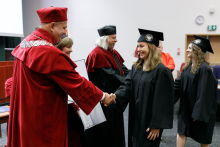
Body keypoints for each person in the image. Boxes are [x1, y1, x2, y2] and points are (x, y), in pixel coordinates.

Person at [7, 6, 115, 147]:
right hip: (43, 116)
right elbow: (76, 82)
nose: (65, 32)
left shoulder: (24, 44)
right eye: (63, 28)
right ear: (52, 26)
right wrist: (103, 96)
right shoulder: (48, 52)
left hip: (26, 113)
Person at [111, 29, 174, 147]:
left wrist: (156, 125)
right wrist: (115, 95)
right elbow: (127, 85)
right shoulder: (136, 67)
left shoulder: (161, 71)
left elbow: (163, 101)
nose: (138, 49)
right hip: (136, 116)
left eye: (141, 46)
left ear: (152, 47)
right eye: (137, 46)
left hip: (150, 120)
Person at [85, 25, 129, 147]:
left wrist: (134, 77)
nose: (116, 40)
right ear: (105, 39)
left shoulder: (112, 52)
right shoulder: (97, 54)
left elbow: (124, 70)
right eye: (113, 38)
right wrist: (129, 83)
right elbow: (110, 78)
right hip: (105, 101)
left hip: (115, 97)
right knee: (107, 135)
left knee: (116, 132)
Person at [174, 35, 217, 147]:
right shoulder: (188, 67)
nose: (187, 50)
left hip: (200, 110)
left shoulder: (204, 69)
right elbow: (178, 85)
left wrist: (199, 113)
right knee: (181, 131)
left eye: (190, 48)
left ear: (198, 51)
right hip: (186, 107)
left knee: (203, 136)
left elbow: (205, 94)